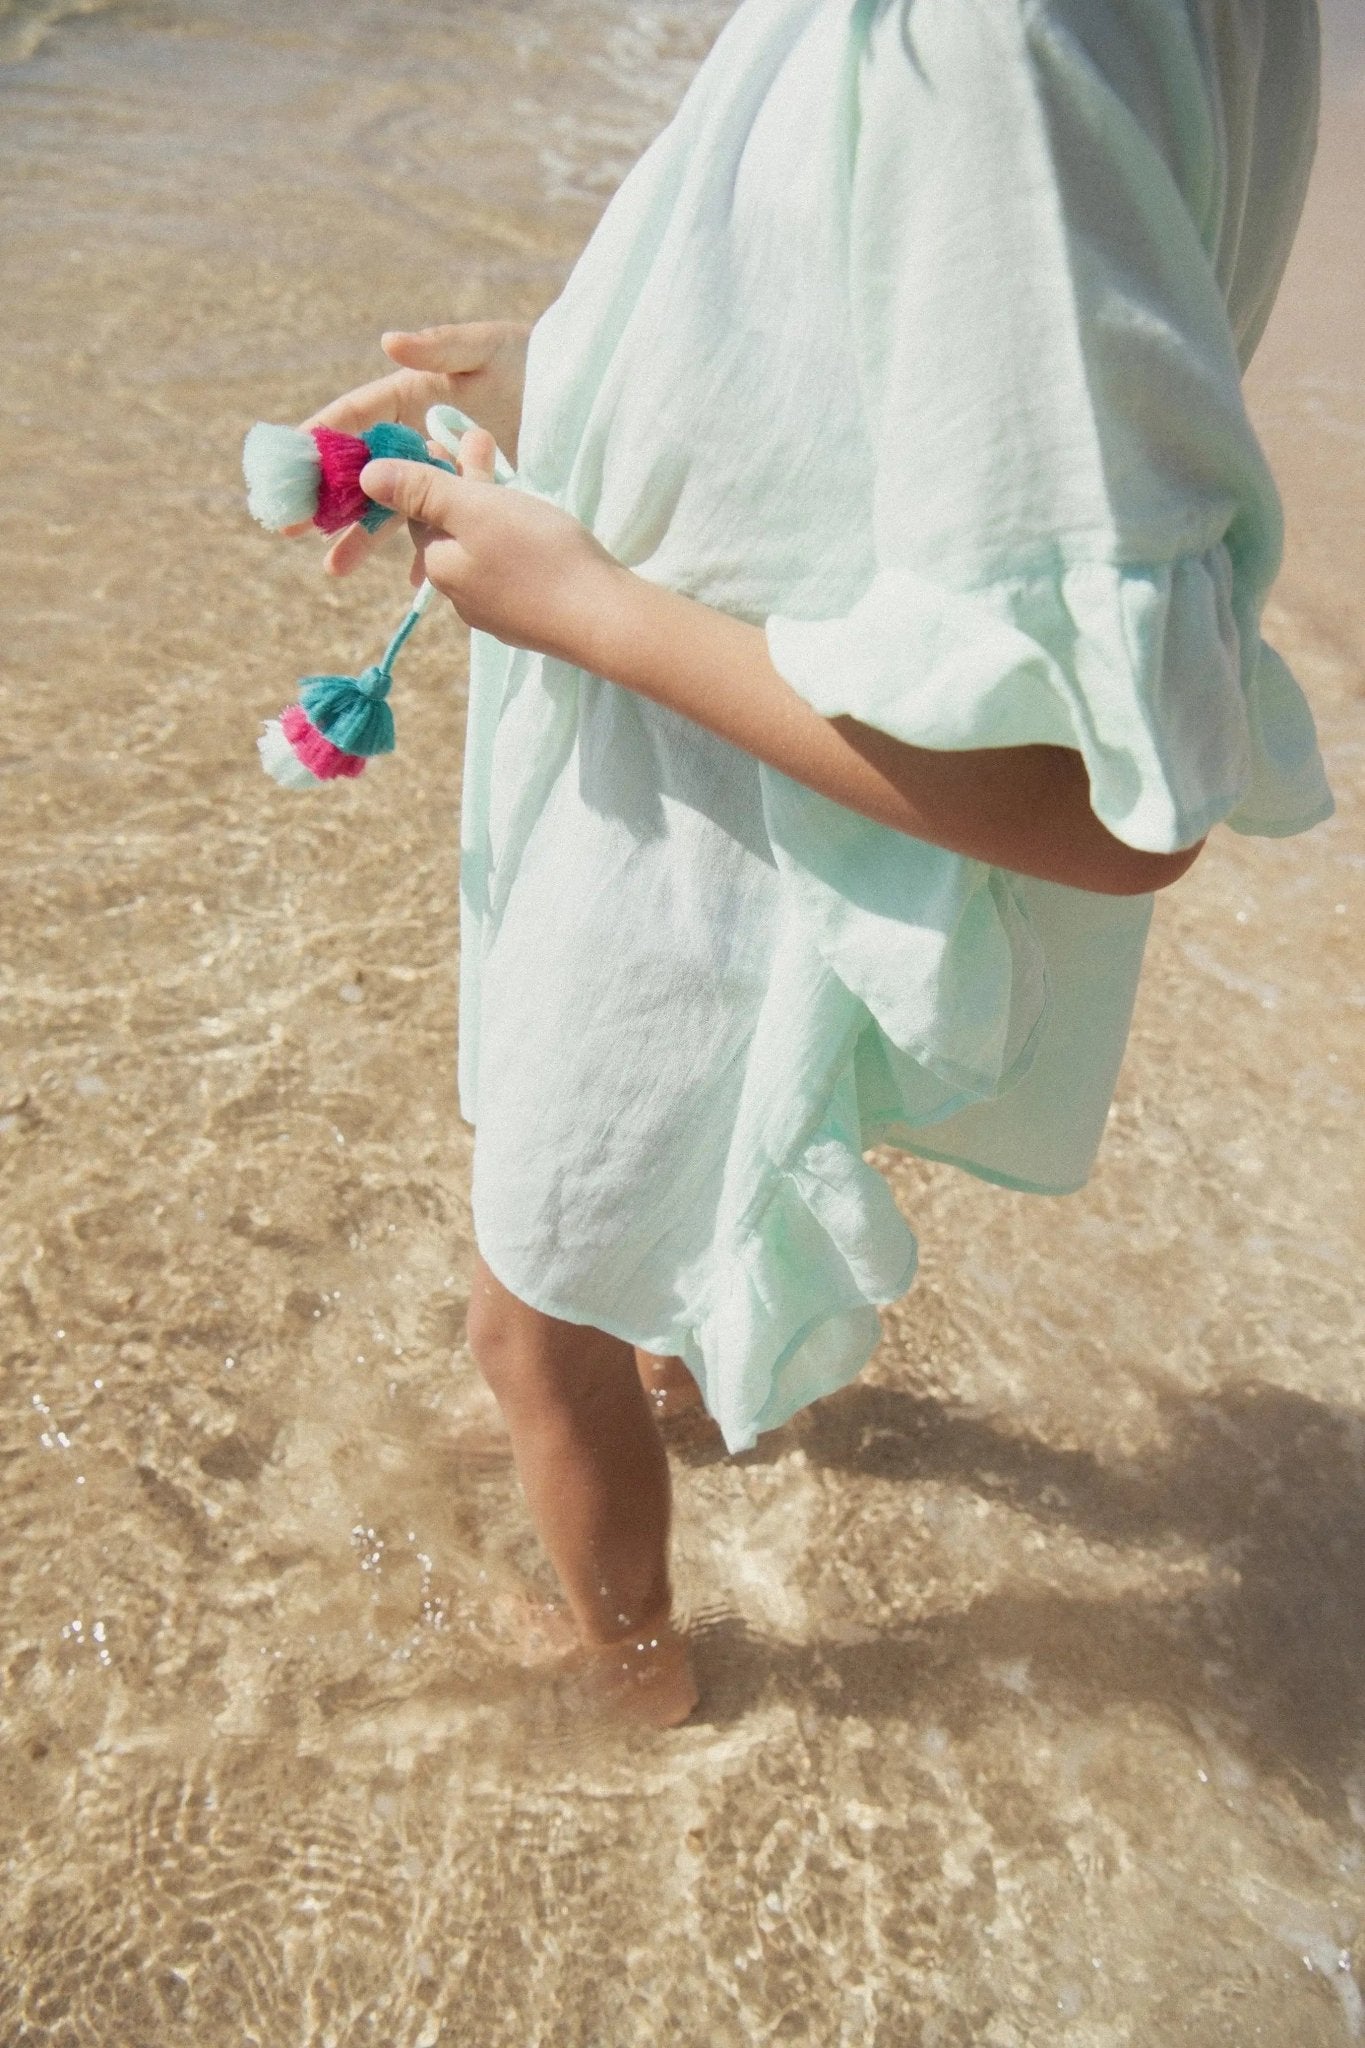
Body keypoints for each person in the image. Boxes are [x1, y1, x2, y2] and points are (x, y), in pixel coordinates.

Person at [289, 0, 1332, 1726]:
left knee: (527, 1330)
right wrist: (572, 374)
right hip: (725, 768)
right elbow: (908, 346)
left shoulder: (984, 38)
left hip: (707, 817)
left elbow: (1109, 800)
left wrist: (590, 610)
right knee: (648, 1242)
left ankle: (625, 1667)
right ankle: (694, 1397)